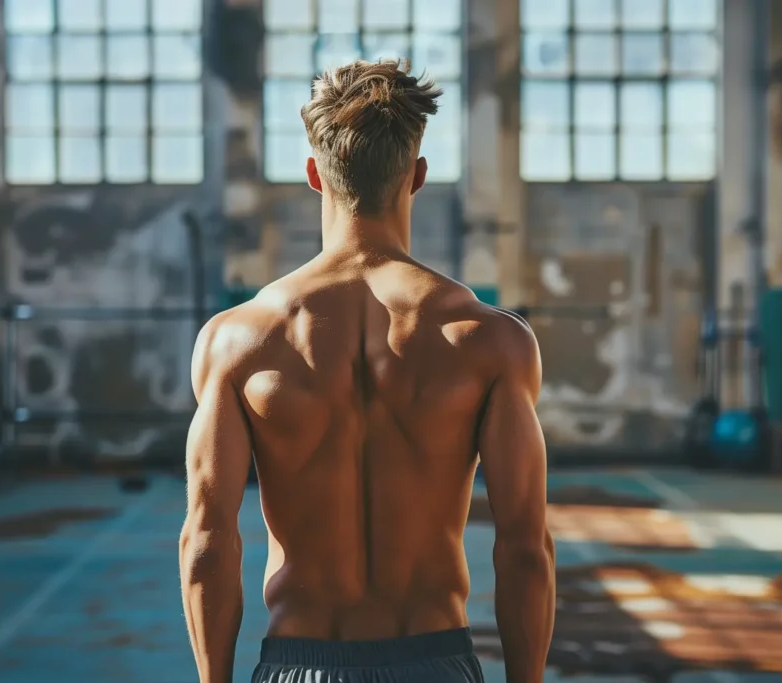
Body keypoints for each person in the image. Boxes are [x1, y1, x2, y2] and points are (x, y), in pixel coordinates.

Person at [179, 59, 555, 683]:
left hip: (301, 660)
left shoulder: (238, 341)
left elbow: (207, 543)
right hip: (433, 659)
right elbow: (526, 547)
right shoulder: (490, 341)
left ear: (313, 176)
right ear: (418, 177)